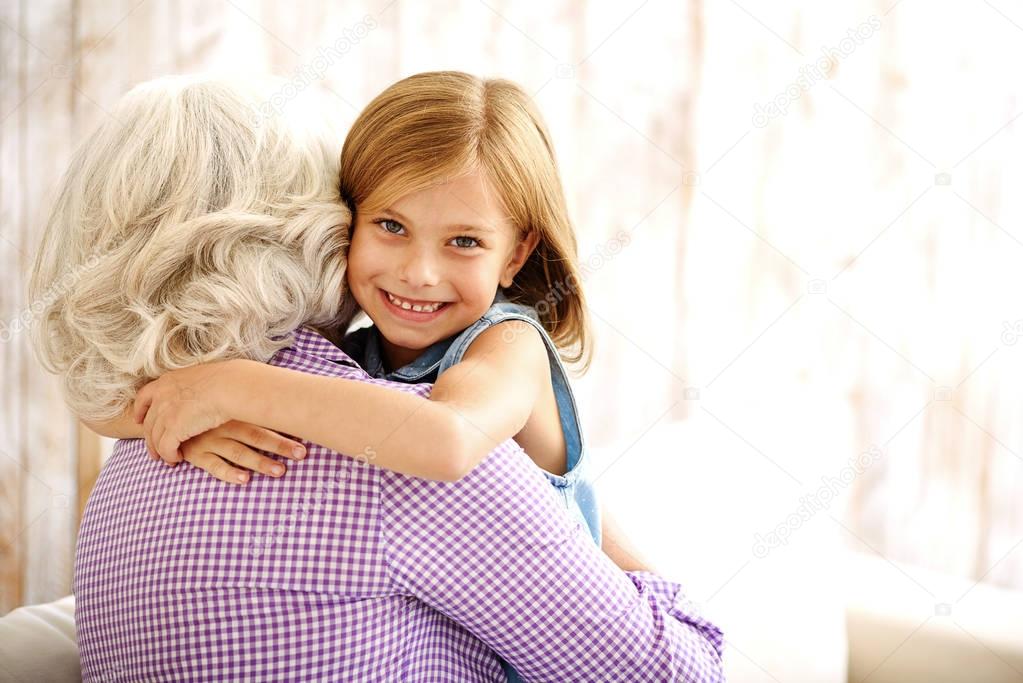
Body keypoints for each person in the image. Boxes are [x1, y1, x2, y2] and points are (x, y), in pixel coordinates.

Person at [33, 74, 725, 681]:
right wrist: (178, 408)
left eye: (463, 241)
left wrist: (227, 386)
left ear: (516, 255)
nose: (418, 272)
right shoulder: (334, 419)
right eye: (388, 225)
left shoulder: (501, 347)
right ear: (331, 220)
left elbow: (448, 438)